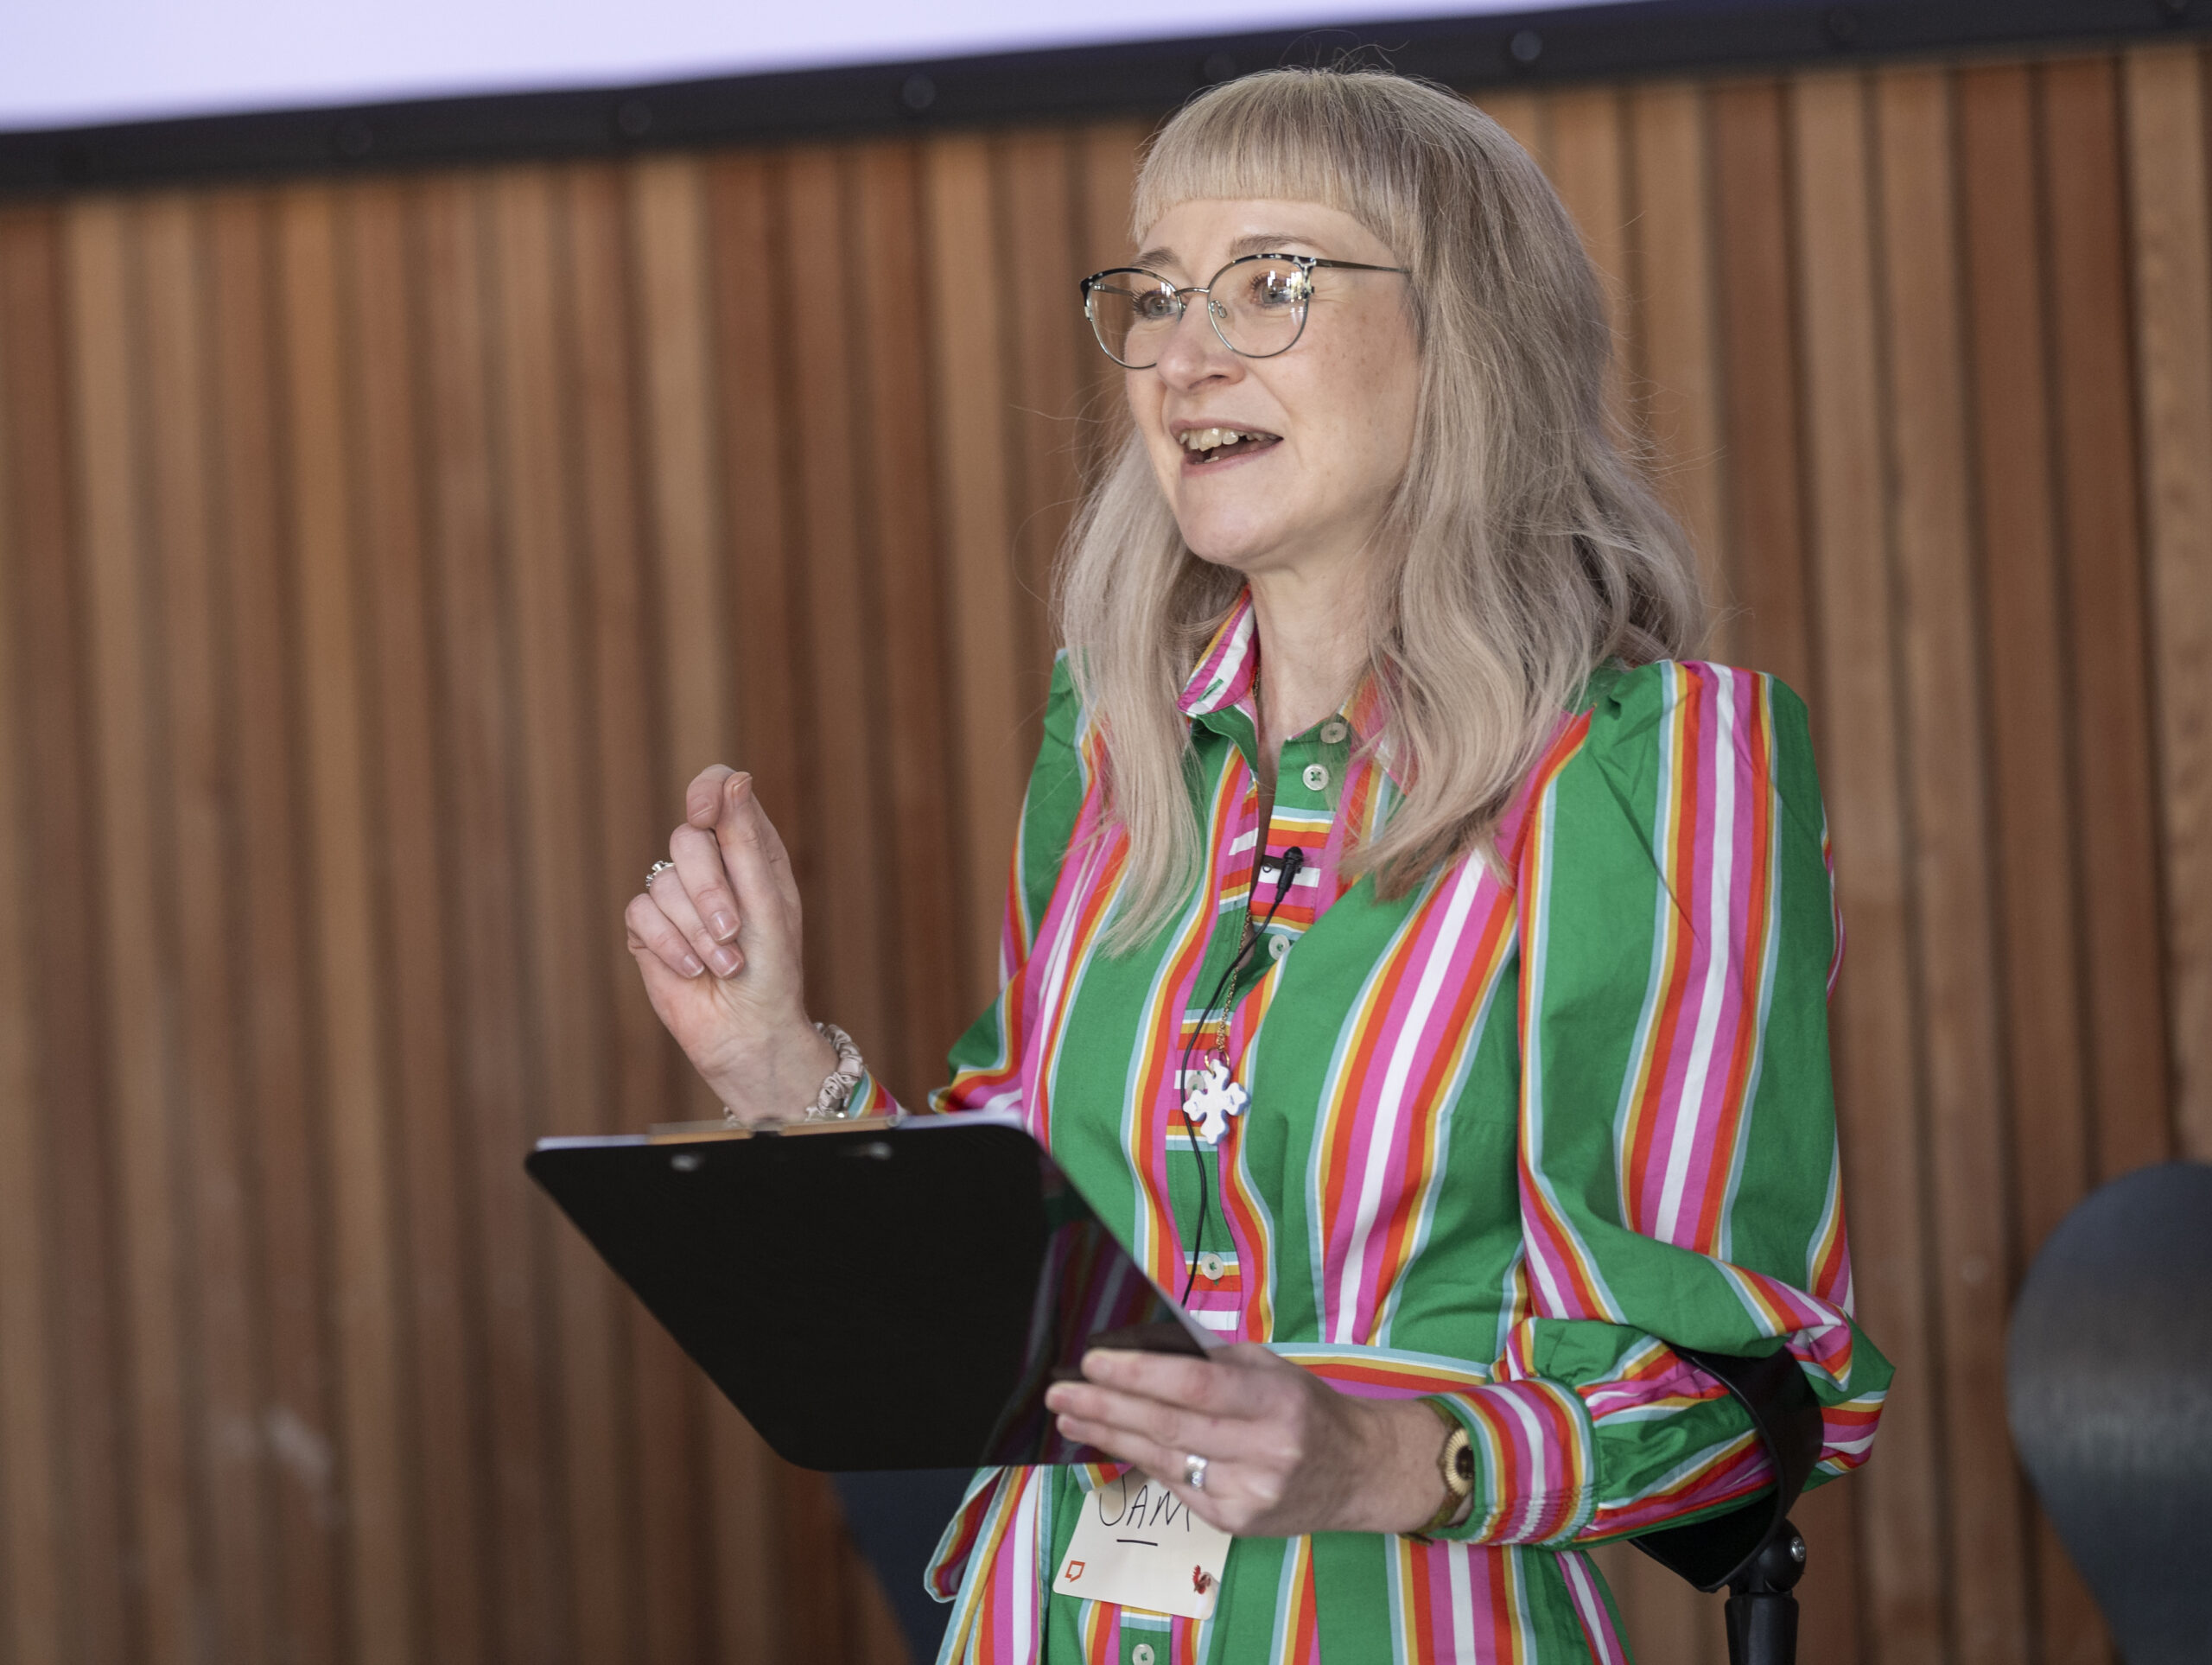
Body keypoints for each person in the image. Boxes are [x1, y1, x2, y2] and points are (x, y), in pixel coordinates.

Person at [625, 66, 1891, 1664]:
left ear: (1464, 336)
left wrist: (1380, 1456)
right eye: (1155, 297)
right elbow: (1016, 1289)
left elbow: (1760, 1406)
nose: (1185, 352)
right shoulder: (1115, 748)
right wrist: (776, 1066)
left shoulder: (1649, 767)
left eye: (1272, 285)